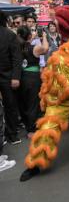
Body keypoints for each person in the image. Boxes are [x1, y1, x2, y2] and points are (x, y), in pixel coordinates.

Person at [16, 26, 48, 137]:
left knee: (24, 102)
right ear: (29, 36)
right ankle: (31, 129)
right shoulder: (35, 48)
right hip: (33, 78)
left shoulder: (18, 47)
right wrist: (43, 36)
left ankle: (28, 125)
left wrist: (30, 37)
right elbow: (46, 48)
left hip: (22, 76)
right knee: (33, 103)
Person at [0, 11, 23, 145]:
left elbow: (16, 57)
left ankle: (12, 134)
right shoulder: (9, 34)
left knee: (10, 106)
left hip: (8, 76)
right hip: (7, 76)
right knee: (9, 106)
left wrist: (15, 77)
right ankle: (7, 135)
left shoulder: (9, 34)